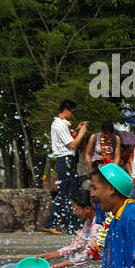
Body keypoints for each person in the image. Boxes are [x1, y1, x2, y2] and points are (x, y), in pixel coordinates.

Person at [45, 100, 89, 234]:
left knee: (67, 194)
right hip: (65, 160)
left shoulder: (62, 125)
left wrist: (76, 130)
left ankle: (58, 223)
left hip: (67, 160)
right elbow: (72, 145)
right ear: (66, 110)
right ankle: (72, 226)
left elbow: (67, 140)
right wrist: (82, 132)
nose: (73, 115)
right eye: (72, 112)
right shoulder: (59, 125)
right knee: (68, 194)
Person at [35, 189, 99, 268]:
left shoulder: (98, 225)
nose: (74, 212)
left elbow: (88, 254)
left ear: (87, 209)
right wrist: (48, 256)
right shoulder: (89, 222)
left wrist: (59, 266)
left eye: (76, 209)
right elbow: (75, 246)